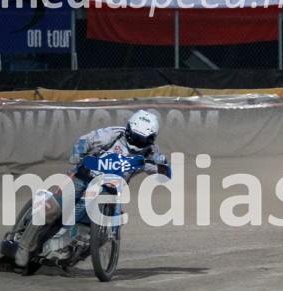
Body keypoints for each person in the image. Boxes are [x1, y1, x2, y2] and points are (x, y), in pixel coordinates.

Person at [14, 111, 169, 270]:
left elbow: (163, 176)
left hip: (110, 192)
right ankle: (24, 247)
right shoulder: (113, 134)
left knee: (107, 231)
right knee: (52, 208)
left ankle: (72, 257)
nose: (138, 142)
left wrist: (162, 164)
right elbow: (85, 140)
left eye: (143, 139)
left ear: (151, 139)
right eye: (135, 137)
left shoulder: (149, 154)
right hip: (82, 178)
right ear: (128, 130)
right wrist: (78, 153)